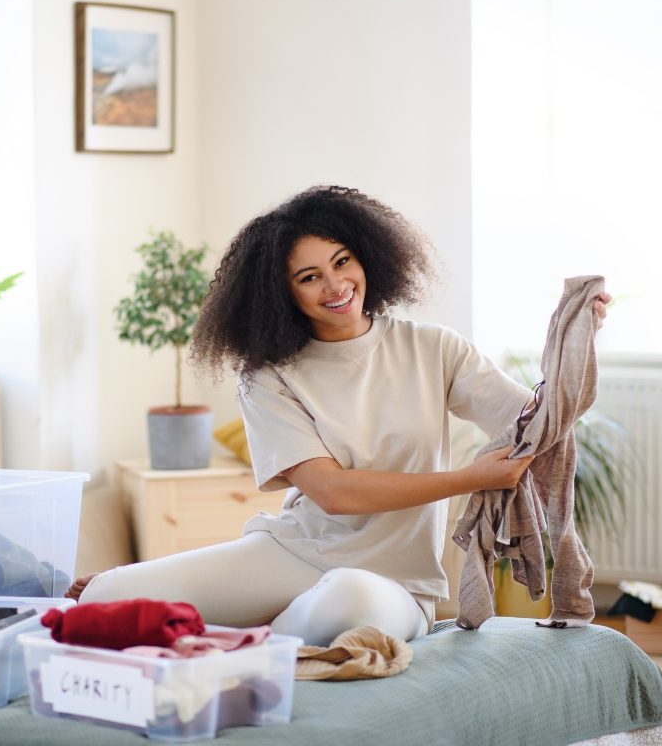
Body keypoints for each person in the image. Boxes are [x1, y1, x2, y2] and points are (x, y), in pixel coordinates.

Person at [69, 186, 610, 646]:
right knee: (106, 598)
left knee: (345, 604)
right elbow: (334, 493)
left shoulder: (435, 349)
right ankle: (247, 630)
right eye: (309, 277)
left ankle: (251, 638)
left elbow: (536, 424)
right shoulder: (268, 375)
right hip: (295, 552)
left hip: (394, 584)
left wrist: (577, 341)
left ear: (367, 258)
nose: (335, 285)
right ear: (283, 295)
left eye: (342, 261)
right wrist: (472, 478)